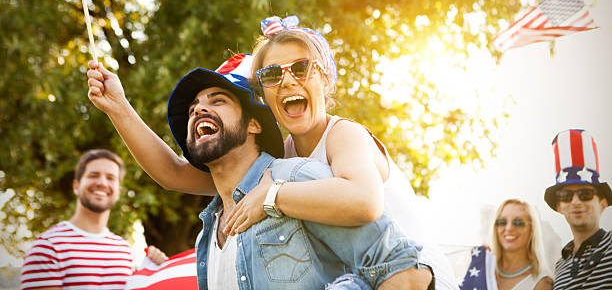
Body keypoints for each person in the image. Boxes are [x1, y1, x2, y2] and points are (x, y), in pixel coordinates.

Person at [87, 52, 432, 289]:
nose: (198, 110)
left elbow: (404, 266)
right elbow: (171, 173)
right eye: (193, 107)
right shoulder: (207, 235)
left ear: (254, 124)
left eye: (217, 100)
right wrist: (117, 106)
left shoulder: (294, 178)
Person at [224, 15, 457, 289]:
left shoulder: (343, 135)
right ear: (263, 95)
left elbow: (365, 201)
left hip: (414, 274)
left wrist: (272, 194)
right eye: (272, 75)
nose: (287, 81)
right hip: (359, 279)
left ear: (324, 80)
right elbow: (183, 175)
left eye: (300, 68)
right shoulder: (281, 159)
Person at [20, 149, 168, 290]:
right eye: (93, 175)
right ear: (76, 186)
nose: (102, 183)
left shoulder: (123, 250)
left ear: (118, 192)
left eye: (111, 178)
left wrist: (160, 271)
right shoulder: (47, 247)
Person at [543, 129, 612, 289]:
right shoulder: (560, 266)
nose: (575, 201)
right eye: (566, 196)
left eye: (585, 194)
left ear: (602, 203)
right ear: (559, 207)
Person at [460, 199, 552, 290]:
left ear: (532, 230)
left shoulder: (543, 283)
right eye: (502, 222)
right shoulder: (482, 271)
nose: (509, 228)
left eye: (518, 222)